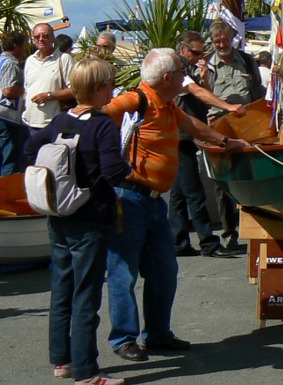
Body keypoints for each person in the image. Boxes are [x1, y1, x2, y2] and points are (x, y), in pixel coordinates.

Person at [98, 49, 250, 362]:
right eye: (183, 71)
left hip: (154, 203)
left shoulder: (166, 104)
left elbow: (194, 126)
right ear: (168, 78)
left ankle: (156, 334)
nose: (186, 76)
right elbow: (98, 118)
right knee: (123, 273)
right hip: (129, 198)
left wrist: (227, 142)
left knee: (164, 271)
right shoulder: (135, 100)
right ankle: (125, 339)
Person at [24, 58, 130, 385]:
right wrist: (129, 172)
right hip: (90, 216)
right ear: (98, 89)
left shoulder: (59, 120)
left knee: (63, 288)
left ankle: (63, 359)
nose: (112, 90)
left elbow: (29, 148)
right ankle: (87, 371)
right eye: (110, 85)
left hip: (60, 215)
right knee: (87, 294)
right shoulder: (101, 125)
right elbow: (114, 171)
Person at [171, 31, 243, 258]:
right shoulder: (177, 71)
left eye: (202, 53)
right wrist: (228, 106)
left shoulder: (190, 70)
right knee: (194, 192)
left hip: (183, 136)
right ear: (183, 50)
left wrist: (203, 78)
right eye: (195, 52)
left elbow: (202, 92)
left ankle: (179, 242)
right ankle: (208, 243)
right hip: (180, 136)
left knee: (179, 195)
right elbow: (196, 92)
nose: (198, 56)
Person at [204, 20, 264, 253]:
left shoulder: (247, 61)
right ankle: (230, 234)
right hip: (218, 126)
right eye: (217, 40)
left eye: (225, 39)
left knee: (251, 176)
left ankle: (259, 230)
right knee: (222, 183)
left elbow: (257, 91)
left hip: (245, 124)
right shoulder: (207, 64)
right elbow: (201, 95)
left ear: (232, 39)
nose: (222, 44)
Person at [0, 31, 27, 177]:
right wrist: (25, 89)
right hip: (4, 118)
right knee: (8, 161)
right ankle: (4, 191)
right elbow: (8, 90)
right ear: (16, 46)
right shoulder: (10, 63)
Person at [23, 23, 76, 132]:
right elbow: (26, 89)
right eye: (37, 37)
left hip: (52, 124)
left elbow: (75, 90)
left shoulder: (64, 59)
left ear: (53, 38)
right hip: (28, 123)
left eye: (45, 36)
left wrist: (49, 95)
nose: (41, 39)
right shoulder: (30, 60)